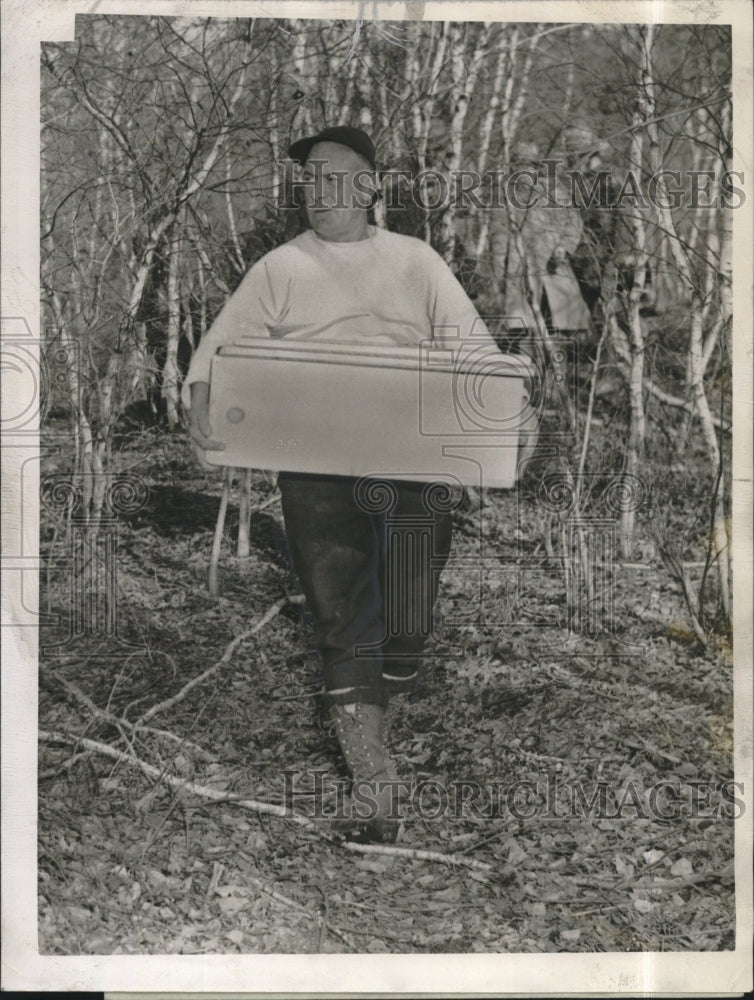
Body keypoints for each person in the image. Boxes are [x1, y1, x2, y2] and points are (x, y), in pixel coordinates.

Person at [183, 126, 534, 842]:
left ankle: (389, 686)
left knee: (409, 609)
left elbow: (474, 348)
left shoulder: (415, 261)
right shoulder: (280, 267)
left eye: (335, 177)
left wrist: (517, 412)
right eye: (309, 178)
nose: (318, 190)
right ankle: (375, 786)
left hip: (415, 451)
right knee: (340, 612)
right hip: (315, 460)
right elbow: (216, 353)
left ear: (372, 187)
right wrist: (198, 402)